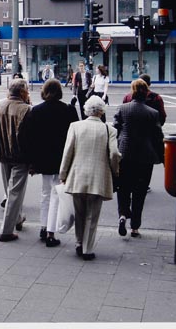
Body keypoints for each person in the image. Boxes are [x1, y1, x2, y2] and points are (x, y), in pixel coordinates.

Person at [59, 96, 121, 260]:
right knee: (92, 215)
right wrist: (115, 171)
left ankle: (79, 242)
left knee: (79, 212)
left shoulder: (75, 126)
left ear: (86, 110)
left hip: (77, 175)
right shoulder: (110, 130)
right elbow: (114, 153)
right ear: (102, 111)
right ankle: (87, 249)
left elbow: (68, 152)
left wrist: (63, 174)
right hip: (98, 177)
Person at [20, 79, 79, 246]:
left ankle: (44, 226)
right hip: (62, 159)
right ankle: (50, 233)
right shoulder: (68, 110)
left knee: (46, 193)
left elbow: (26, 137)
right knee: (56, 194)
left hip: (42, 159)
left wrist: (31, 161)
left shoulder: (36, 111)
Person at [114, 79, 164, 238]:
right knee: (140, 191)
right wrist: (162, 157)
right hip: (145, 156)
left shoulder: (123, 108)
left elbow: (115, 130)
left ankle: (122, 216)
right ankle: (135, 226)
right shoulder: (152, 113)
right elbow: (158, 137)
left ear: (132, 91)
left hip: (125, 154)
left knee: (123, 188)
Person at [0, 78, 32, 242]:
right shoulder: (26, 110)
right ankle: (6, 230)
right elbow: (29, 138)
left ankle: (18, 218)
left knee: (10, 191)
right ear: (22, 92)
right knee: (15, 193)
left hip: (2, 154)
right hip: (20, 156)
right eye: (27, 90)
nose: (28, 93)